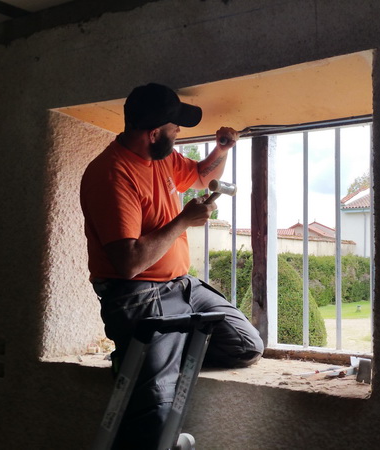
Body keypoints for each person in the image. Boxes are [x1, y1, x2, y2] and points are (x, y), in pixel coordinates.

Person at [80, 83, 264, 449]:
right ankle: (144, 367)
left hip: (181, 286)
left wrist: (222, 150)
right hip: (137, 296)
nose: (179, 131)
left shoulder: (161, 157)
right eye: (173, 126)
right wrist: (183, 221)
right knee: (154, 415)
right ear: (152, 133)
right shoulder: (112, 174)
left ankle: (148, 358)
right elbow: (128, 263)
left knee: (245, 345)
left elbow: (200, 175)